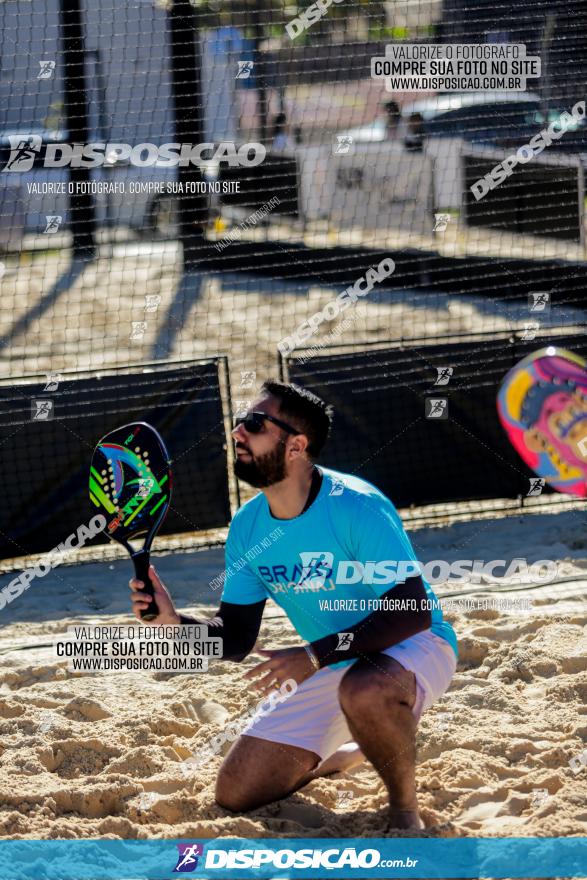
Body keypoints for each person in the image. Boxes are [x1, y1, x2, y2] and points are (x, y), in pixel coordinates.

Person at [129, 380, 457, 829]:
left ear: (296, 445)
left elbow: (411, 611)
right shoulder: (248, 528)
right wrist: (172, 623)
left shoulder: (356, 506)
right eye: (241, 423)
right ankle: (350, 752)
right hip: (332, 658)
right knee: (237, 792)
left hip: (414, 644)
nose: (237, 433)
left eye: (254, 423)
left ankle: (404, 811)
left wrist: (312, 655)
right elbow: (236, 638)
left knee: (361, 690)